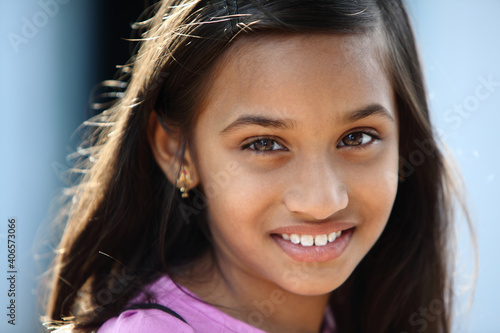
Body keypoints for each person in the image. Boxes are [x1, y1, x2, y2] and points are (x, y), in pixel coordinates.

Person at [42, 0, 472, 332]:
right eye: (265, 143)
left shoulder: (365, 312)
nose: (322, 201)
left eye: (357, 137)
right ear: (178, 152)